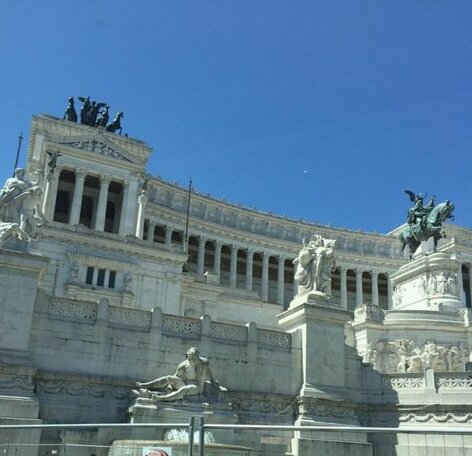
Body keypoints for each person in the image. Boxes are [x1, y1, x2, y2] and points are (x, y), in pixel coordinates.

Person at [134, 347, 226, 402]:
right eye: (189, 357)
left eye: (193, 358)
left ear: (197, 357)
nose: (190, 359)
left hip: (197, 387)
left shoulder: (204, 363)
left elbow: (209, 373)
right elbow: (175, 376)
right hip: (185, 383)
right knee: (169, 378)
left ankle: (160, 398)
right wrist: (170, 385)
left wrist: (213, 381)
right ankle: (145, 385)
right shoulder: (184, 365)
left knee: (183, 390)